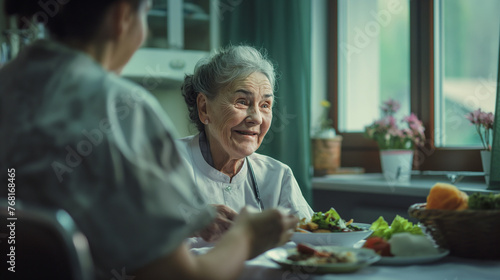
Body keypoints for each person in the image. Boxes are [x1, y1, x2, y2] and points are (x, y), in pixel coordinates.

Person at [0, 1, 298, 279]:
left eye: (265, 105)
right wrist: (245, 236)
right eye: (146, 15)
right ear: (122, 16)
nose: (256, 117)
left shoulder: (9, 84)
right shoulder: (121, 108)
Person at [178, 45, 314, 243]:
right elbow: (128, 233)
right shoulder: (166, 161)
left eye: (265, 105)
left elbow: (313, 240)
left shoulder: (277, 176)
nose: (257, 118)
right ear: (204, 107)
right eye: (242, 101)